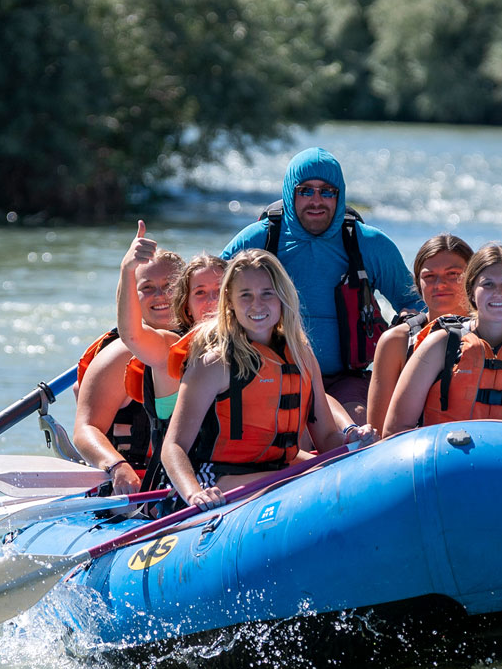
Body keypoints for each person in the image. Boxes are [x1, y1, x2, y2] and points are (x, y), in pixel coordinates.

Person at [162, 250, 377, 508]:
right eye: (245, 295)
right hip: (220, 479)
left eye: (267, 293)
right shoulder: (214, 363)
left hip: (282, 468)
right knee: (315, 481)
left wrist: (352, 439)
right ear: (229, 301)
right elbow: (173, 446)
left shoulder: (301, 355)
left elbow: (327, 437)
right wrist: (193, 493)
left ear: (282, 297)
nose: (257, 305)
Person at [221, 147, 421, 422]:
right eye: (305, 191)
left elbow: (417, 305)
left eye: (327, 191)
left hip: (346, 380)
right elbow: (208, 294)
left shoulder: (371, 245)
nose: (316, 200)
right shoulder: (257, 240)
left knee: (357, 423)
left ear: (340, 195)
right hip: (267, 372)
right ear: (290, 193)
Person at [382, 244, 502, 437]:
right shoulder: (438, 346)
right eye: (488, 284)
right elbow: (396, 430)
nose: (499, 292)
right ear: (470, 291)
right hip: (446, 463)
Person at [73, 246, 185, 493]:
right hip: (136, 486)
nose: (160, 295)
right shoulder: (121, 354)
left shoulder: (206, 341)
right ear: (132, 297)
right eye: (147, 288)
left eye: (169, 285)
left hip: (193, 479)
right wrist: (117, 467)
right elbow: (86, 429)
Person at [363, 233, 473, 432]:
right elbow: (378, 432)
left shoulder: (495, 336)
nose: (439, 284)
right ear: (417, 283)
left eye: (453, 274)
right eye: (429, 276)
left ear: (473, 279)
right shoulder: (395, 342)